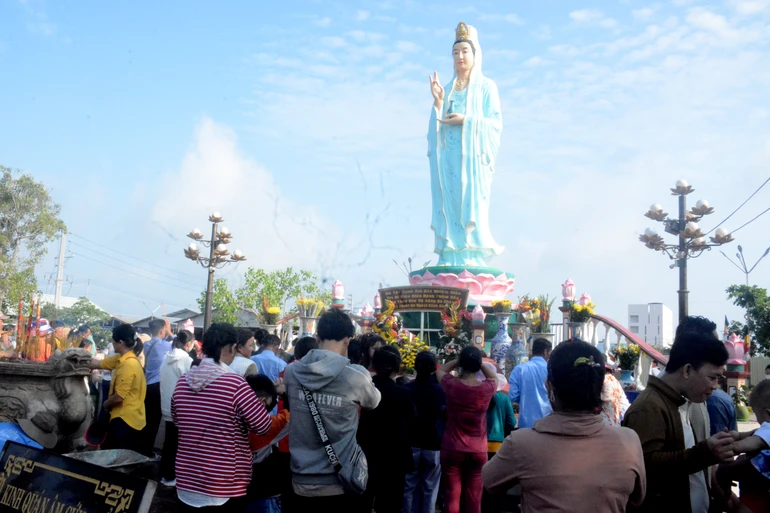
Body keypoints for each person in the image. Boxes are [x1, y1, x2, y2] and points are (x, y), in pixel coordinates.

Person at [483, 339, 646, 513]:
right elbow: (637, 499)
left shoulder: (521, 444)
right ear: (600, 387)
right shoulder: (629, 442)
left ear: (549, 387)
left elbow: (488, 483)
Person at [622, 316, 734, 513]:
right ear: (688, 370)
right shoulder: (649, 407)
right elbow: (647, 467)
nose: (715, 386)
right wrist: (705, 453)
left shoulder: (682, 400)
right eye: (712, 378)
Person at [283, 308, 381, 511]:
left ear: (317, 338)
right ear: (348, 340)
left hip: (299, 481)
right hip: (339, 482)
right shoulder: (355, 376)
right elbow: (373, 401)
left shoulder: (292, 372)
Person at [172, 323, 272, 512]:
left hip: (186, 482)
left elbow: (178, 422)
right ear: (232, 348)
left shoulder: (182, 382)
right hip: (223, 486)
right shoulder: (235, 385)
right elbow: (263, 426)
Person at [427, 22, 503, 267]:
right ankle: (450, 251)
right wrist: (438, 103)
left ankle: (472, 254)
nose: (460, 56)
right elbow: (435, 131)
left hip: (473, 163)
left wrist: (466, 121)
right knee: (450, 203)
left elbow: (496, 124)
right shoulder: (447, 90)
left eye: (464, 51)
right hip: (449, 159)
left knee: (471, 203)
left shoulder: (486, 87)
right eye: (455, 52)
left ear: (475, 54)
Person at [437, 346, 497, 513]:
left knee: (451, 494)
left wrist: (459, 360)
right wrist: (479, 362)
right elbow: (494, 377)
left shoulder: (452, 385)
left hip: (452, 446)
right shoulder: (486, 389)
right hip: (477, 448)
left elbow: (440, 370)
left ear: (461, 364)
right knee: (474, 496)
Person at [358, 345, 415, 513]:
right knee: (390, 504)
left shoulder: (363, 390)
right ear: (397, 367)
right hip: (394, 457)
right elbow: (411, 423)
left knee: (363, 499)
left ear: (374, 364)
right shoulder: (403, 394)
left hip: (366, 453)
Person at [90, 324, 146, 451]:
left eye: (113, 341)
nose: (112, 344)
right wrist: (80, 359)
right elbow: (99, 363)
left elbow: (119, 397)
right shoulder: (122, 358)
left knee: (117, 455)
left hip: (125, 419)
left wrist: (105, 404)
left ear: (120, 342)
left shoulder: (128, 364)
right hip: (127, 417)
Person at [716, 379, 770, 512]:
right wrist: (738, 435)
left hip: (759, 478)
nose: (758, 420)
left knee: (724, 470)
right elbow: (755, 433)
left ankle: (725, 496)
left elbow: (753, 442)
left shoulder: (769, 428)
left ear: (768, 413)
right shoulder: (765, 430)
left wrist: (732, 447)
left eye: (756, 414)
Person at [403, 351, 446, 513]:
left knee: (409, 485)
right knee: (430, 487)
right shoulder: (440, 391)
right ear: (435, 368)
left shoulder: (407, 389)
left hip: (412, 442)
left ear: (415, 367)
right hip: (433, 443)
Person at [246, 374, 290, 513]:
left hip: (236, 491)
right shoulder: (268, 427)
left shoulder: (228, 421)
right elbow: (291, 415)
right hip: (265, 493)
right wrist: (283, 394)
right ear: (263, 401)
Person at [159, 329, 195, 488]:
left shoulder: (166, 357)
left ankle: (165, 474)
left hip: (167, 405)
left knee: (169, 441)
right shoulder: (187, 360)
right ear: (188, 343)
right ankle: (172, 475)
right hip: (181, 408)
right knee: (178, 444)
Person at [140, 318, 172, 456]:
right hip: (157, 386)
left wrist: (166, 330)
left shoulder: (147, 344)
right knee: (154, 421)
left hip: (146, 385)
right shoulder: (164, 345)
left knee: (146, 420)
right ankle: (147, 452)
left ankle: (142, 449)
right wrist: (170, 332)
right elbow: (180, 343)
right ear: (161, 331)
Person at [508, 338, 553, 428]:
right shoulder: (551, 369)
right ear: (546, 352)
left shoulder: (519, 369)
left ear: (532, 351)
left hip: (526, 424)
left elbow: (513, 396)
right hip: (548, 423)